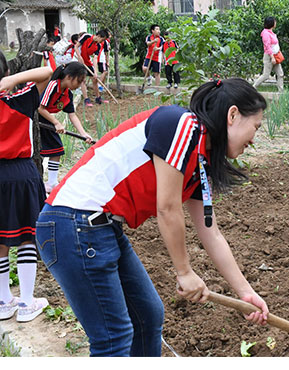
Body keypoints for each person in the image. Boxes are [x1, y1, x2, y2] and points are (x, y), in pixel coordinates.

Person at [35, 78, 269, 356]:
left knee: (147, 316)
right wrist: (184, 272)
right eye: (255, 127)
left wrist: (245, 292)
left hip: (97, 228)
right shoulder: (183, 124)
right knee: (114, 338)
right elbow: (167, 208)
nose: (254, 139)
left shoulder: (200, 159)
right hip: (74, 224)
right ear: (232, 115)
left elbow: (211, 233)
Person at [0, 55, 52, 323]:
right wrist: (13, 80)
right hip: (21, 173)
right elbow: (48, 71)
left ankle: (3, 301)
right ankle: (26, 302)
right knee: (26, 237)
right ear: (6, 72)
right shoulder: (18, 100)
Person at [38, 62, 93, 194]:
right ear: (69, 77)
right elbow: (40, 108)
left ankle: (51, 182)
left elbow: (72, 115)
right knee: (37, 151)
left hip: (47, 120)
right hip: (36, 119)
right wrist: (56, 122)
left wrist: (83, 133)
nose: (79, 85)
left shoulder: (67, 94)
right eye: (79, 81)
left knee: (57, 150)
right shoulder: (52, 85)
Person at [75, 29, 109, 106]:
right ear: (99, 36)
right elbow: (76, 46)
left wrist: (96, 72)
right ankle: (86, 99)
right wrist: (79, 57)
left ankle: (98, 98)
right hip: (79, 60)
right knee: (82, 80)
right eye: (102, 39)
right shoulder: (86, 36)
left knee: (94, 79)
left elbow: (95, 58)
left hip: (87, 62)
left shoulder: (98, 46)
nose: (102, 42)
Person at [253, 17, 284, 93]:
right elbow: (267, 46)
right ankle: (253, 88)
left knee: (280, 74)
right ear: (271, 23)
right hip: (269, 56)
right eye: (274, 22)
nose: (275, 23)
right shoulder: (266, 33)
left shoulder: (271, 32)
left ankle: (281, 91)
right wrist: (272, 57)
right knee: (266, 75)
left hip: (276, 56)